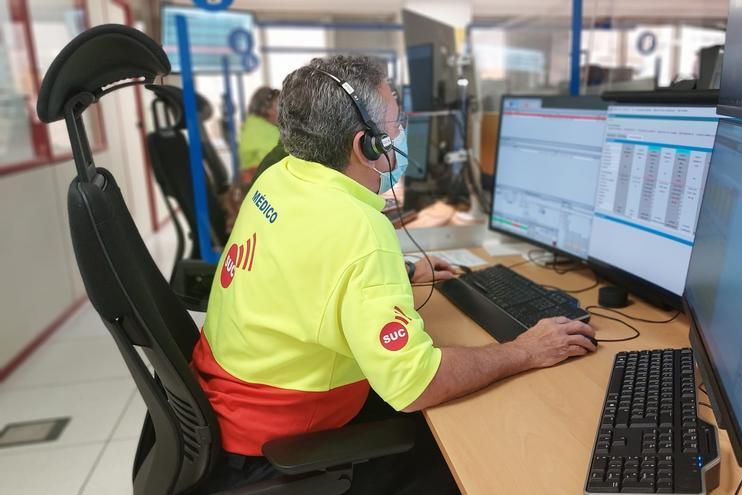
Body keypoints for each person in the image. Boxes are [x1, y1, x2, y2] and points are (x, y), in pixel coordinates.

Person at [192, 55, 597, 493]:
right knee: (480, 457)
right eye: (394, 120)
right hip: (278, 449)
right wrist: (523, 350)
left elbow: (304, 272)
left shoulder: (279, 178)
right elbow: (416, 385)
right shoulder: (358, 230)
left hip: (229, 407)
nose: (400, 132)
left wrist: (392, 282)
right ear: (366, 145)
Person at [238, 86, 281, 183]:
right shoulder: (258, 128)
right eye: (279, 106)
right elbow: (277, 156)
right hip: (263, 179)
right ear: (266, 109)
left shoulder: (257, 124)